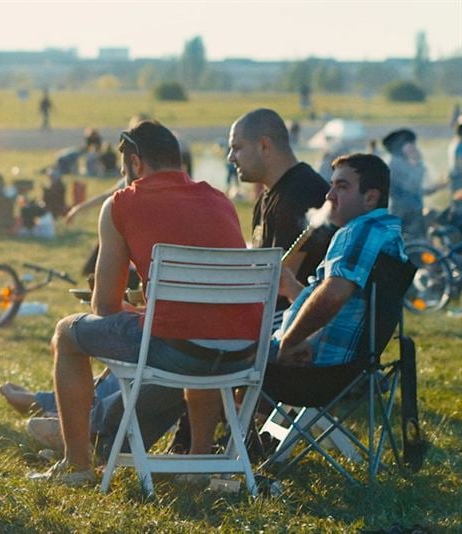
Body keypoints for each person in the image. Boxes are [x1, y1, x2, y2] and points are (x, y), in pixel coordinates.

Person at [30, 120, 260, 485]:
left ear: (136, 163)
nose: (125, 179)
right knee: (202, 331)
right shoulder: (220, 200)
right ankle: (198, 461)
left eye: (125, 172)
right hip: (242, 351)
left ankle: (77, 466)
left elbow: (104, 306)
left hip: (180, 350)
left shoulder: (123, 203)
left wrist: (138, 311)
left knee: (67, 334)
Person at [266, 154, 406, 401]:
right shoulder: (386, 232)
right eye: (331, 186)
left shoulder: (358, 231)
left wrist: (289, 342)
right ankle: (253, 434)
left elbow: (334, 296)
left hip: (314, 368)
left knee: (211, 355)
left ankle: (220, 438)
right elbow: (344, 307)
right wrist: (294, 290)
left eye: (341, 187)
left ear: (371, 197)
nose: (329, 196)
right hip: (340, 366)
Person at [228, 109, 332, 322]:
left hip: (291, 320)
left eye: (237, 148)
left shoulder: (301, 192)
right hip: (273, 314)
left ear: (265, 146)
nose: (231, 158)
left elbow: (276, 286)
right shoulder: (269, 195)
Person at [383, 129, 437, 242]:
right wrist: (418, 163)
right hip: (402, 211)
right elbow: (411, 186)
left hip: (411, 210)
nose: (413, 147)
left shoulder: (402, 161)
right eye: (410, 143)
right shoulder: (395, 163)